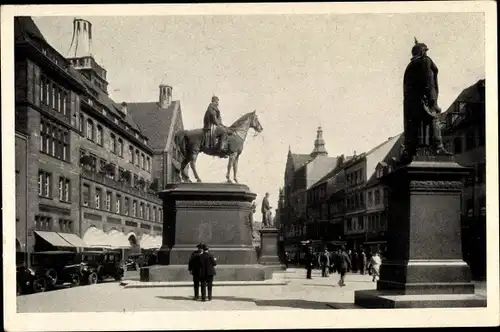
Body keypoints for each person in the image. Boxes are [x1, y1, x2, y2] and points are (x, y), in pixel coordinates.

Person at [402, 38, 452, 158]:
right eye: (425, 51)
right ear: (422, 52)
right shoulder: (425, 61)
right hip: (424, 102)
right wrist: (433, 102)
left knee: (416, 128)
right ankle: (438, 148)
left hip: (411, 105)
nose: (426, 53)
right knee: (434, 120)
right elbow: (429, 82)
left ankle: (411, 150)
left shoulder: (409, 66)